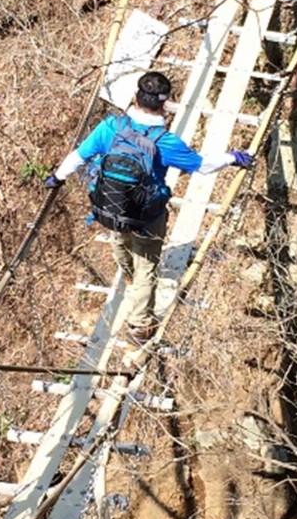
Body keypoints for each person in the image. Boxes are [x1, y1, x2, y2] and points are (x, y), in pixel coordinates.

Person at [45, 72, 253, 343]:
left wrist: (56, 178)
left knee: (121, 241)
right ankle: (140, 326)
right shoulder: (164, 142)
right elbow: (202, 166)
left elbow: (77, 157)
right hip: (146, 217)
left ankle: (130, 278)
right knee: (146, 265)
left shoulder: (111, 128)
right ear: (164, 105)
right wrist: (232, 158)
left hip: (110, 209)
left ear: (134, 97)